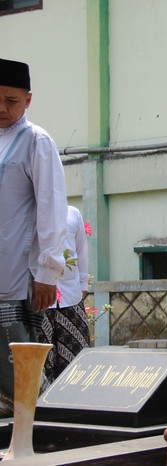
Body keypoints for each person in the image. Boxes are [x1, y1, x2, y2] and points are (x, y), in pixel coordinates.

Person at [0, 58, 67, 415]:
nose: (2, 108)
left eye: (10, 100)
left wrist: (48, 272)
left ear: (27, 100)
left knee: (19, 361)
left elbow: (52, 209)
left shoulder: (36, 141)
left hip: (18, 276)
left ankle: (27, 432)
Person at [39, 206, 91, 384]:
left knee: (77, 355)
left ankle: (75, 400)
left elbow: (81, 249)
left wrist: (83, 282)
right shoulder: (29, 211)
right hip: (40, 298)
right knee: (42, 359)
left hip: (71, 296)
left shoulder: (73, 213)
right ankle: (44, 405)